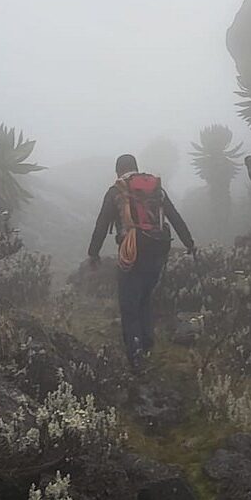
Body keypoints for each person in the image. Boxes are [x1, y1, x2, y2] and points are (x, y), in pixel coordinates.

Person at [87, 153, 195, 371]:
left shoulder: (116, 191)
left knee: (129, 303)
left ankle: (135, 354)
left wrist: (93, 253)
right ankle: (147, 345)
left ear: (118, 171)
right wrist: (189, 243)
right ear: (136, 168)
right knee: (145, 297)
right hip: (158, 249)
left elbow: (101, 225)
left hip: (133, 251)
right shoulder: (156, 189)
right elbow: (174, 217)